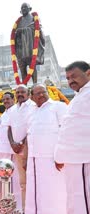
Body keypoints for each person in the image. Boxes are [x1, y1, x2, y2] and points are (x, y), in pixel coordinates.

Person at [24, 84, 67, 214]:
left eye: (43, 92)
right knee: (35, 191)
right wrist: (27, 159)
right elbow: (29, 136)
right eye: (37, 93)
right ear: (31, 97)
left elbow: (65, 132)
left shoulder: (58, 107)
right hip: (34, 160)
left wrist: (61, 156)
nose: (41, 95)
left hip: (52, 160)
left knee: (53, 192)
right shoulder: (31, 112)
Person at [54, 61, 90, 214]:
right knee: (74, 199)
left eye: (74, 76)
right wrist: (59, 155)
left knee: (83, 201)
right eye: (68, 78)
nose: (70, 81)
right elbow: (68, 129)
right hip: (73, 159)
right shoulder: (79, 96)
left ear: (88, 73)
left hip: (83, 158)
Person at [7, 84, 36, 211]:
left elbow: (32, 127)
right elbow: (9, 128)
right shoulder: (12, 109)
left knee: (33, 180)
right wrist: (13, 143)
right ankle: (25, 209)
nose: (19, 94)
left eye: (22, 92)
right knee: (22, 182)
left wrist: (22, 144)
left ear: (28, 93)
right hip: (16, 150)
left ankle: (34, 208)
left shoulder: (33, 107)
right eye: (17, 92)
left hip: (30, 149)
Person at [0, 92, 22, 212]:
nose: (5, 101)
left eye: (7, 99)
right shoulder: (5, 113)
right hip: (1, 150)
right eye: (3, 100)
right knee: (3, 180)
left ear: (13, 99)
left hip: (10, 151)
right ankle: (4, 205)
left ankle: (17, 206)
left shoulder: (16, 111)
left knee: (14, 180)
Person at [14, 3, 45, 83]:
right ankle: (24, 85)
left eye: (25, 7)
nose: (23, 9)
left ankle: (35, 83)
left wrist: (22, 30)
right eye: (22, 8)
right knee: (22, 68)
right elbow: (15, 33)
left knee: (32, 66)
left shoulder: (34, 18)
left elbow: (37, 28)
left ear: (30, 9)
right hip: (20, 47)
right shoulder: (19, 22)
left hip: (30, 47)